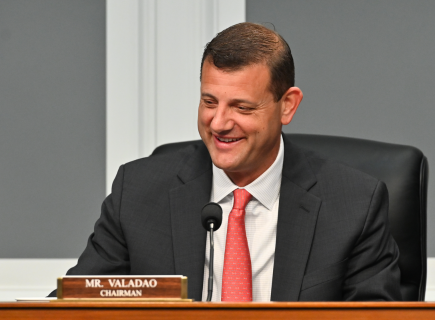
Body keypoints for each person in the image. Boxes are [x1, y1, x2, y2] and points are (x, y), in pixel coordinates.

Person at [52, 22, 402, 302]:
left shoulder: (354, 204)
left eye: (241, 107)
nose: (218, 123)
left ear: (287, 106)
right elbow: (75, 308)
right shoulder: (139, 192)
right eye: (209, 101)